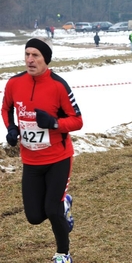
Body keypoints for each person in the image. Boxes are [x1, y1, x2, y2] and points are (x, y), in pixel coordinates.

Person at [1, 37, 83, 262]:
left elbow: (77, 121)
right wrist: (11, 128)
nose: (30, 60)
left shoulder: (58, 85)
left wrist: (55, 123)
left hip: (58, 157)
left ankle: (63, 254)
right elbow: (6, 107)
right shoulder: (14, 83)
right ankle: (66, 203)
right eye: (27, 54)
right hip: (31, 160)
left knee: (52, 209)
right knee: (34, 216)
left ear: (45, 59)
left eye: (35, 55)